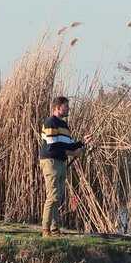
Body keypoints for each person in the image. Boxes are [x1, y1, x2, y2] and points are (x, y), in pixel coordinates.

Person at [39, 96, 92, 237]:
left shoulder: (64, 126)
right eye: (66, 106)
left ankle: (55, 230)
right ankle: (45, 230)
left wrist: (82, 142)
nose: (68, 108)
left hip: (61, 162)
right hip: (51, 162)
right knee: (52, 196)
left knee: (59, 196)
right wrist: (72, 152)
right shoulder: (51, 123)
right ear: (58, 108)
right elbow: (52, 148)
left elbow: (68, 145)